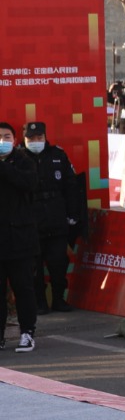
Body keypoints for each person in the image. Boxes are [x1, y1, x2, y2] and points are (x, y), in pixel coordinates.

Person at [18, 122, 83, 312]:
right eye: (31, 138)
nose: (35, 141)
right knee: (33, 266)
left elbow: (71, 186)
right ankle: (39, 302)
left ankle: (58, 299)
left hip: (56, 217)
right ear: (24, 139)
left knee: (58, 263)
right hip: (30, 221)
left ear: (45, 137)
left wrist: (73, 214)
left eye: (39, 137)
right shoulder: (19, 157)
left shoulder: (58, 155)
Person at [0, 125, 43, 350]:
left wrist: (3, 167)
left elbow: (29, 183)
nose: (2, 141)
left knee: (23, 288)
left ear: (14, 139)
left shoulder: (24, 161)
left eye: (6, 137)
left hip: (21, 239)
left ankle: (27, 332)